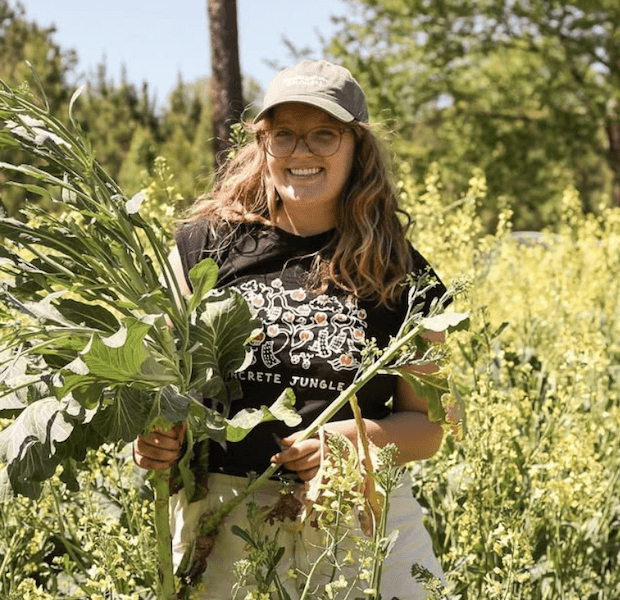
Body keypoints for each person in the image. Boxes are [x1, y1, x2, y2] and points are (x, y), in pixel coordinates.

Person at [133, 59, 447, 599]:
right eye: (285, 135)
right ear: (263, 144)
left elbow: (428, 426)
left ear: (356, 147)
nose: (302, 152)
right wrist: (155, 440)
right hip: (226, 523)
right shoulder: (202, 247)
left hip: (359, 516)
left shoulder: (404, 275)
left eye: (323, 134)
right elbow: (158, 381)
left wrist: (351, 441)